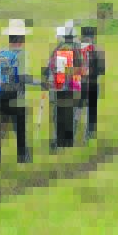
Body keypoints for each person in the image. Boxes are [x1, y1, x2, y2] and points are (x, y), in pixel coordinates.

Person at [0, 19, 41, 170]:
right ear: (22, 38)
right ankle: (23, 162)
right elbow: (23, 77)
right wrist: (40, 82)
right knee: (20, 130)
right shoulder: (22, 54)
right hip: (16, 98)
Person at [44, 20, 86, 152]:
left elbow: (51, 67)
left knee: (59, 114)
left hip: (60, 85)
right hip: (75, 85)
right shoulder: (78, 48)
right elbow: (83, 69)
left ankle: (58, 140)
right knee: (72, 113)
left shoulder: (59, 48)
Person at [79, 26, 105, 142]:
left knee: (78, 108)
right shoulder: (99, 49)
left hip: (78, 84)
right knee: (91, 109)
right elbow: (102, 69)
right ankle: (88, 135)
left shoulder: (76, 48)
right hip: (93, 83)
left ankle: (74, 130)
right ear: (93, 36)